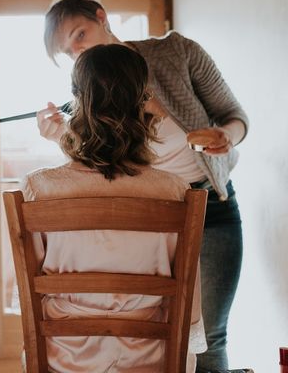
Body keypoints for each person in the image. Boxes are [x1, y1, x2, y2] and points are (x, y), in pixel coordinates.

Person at [37, 0, 248, 373]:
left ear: (102, 17)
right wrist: (60, 137)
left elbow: (234, 115)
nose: (78, 53)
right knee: (154, 327)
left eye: (79, 36)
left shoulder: (176, 53)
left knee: (209, 336)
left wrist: (227, 136)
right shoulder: (90, 92)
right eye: (68, 52)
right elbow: (97, 163)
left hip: (209, 207)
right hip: (149, 216)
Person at [22, 43, 206, 372]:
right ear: (143, 101)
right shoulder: (174, 191)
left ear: (77, 102)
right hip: (150, 357)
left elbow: (34, 292)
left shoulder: (41, 189)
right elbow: (188, 309)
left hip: (63, 359)